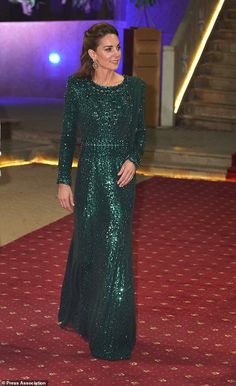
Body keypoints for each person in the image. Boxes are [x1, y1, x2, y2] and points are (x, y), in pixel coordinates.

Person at [56, 22, 146, 361]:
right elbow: (67, 138)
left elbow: (139, 134)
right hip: (90, 176)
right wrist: (63, 179)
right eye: (108, 49)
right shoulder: (77, 88)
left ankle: (114, 334)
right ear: (93, 54)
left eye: (117, 47)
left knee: (116, 249)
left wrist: (133, 160)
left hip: (121, 180)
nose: (116, 54)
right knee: (91, 250)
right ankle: (92, 320)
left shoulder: (135, 87)